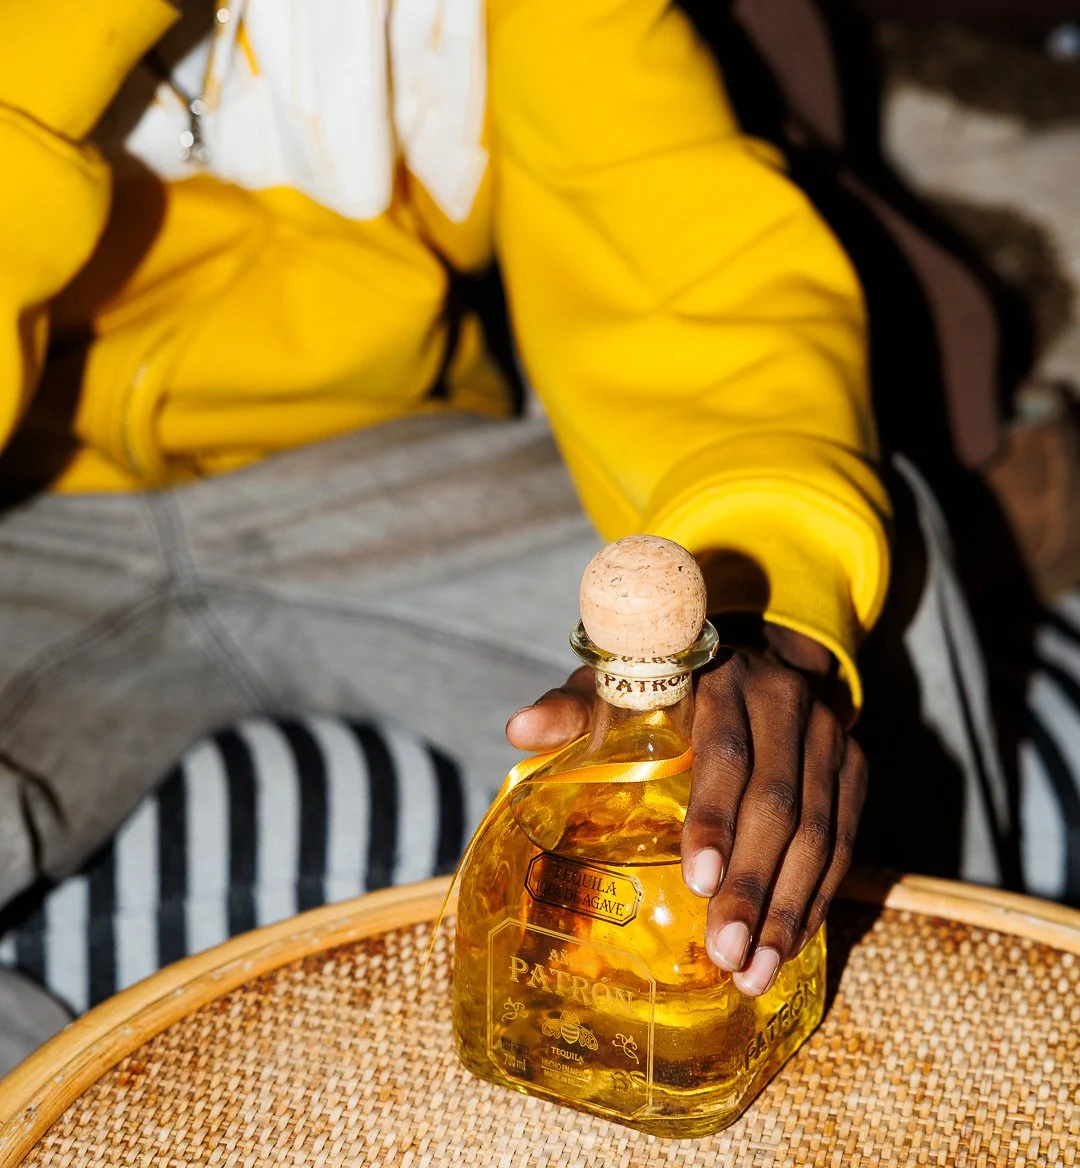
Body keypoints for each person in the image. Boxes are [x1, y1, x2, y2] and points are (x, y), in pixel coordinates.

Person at [0, 0, 1047, 1054]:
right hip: (28, 508)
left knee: (855, 588)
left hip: (380, 464)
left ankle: (948, 1093)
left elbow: (675, 253)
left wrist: (748, 623)